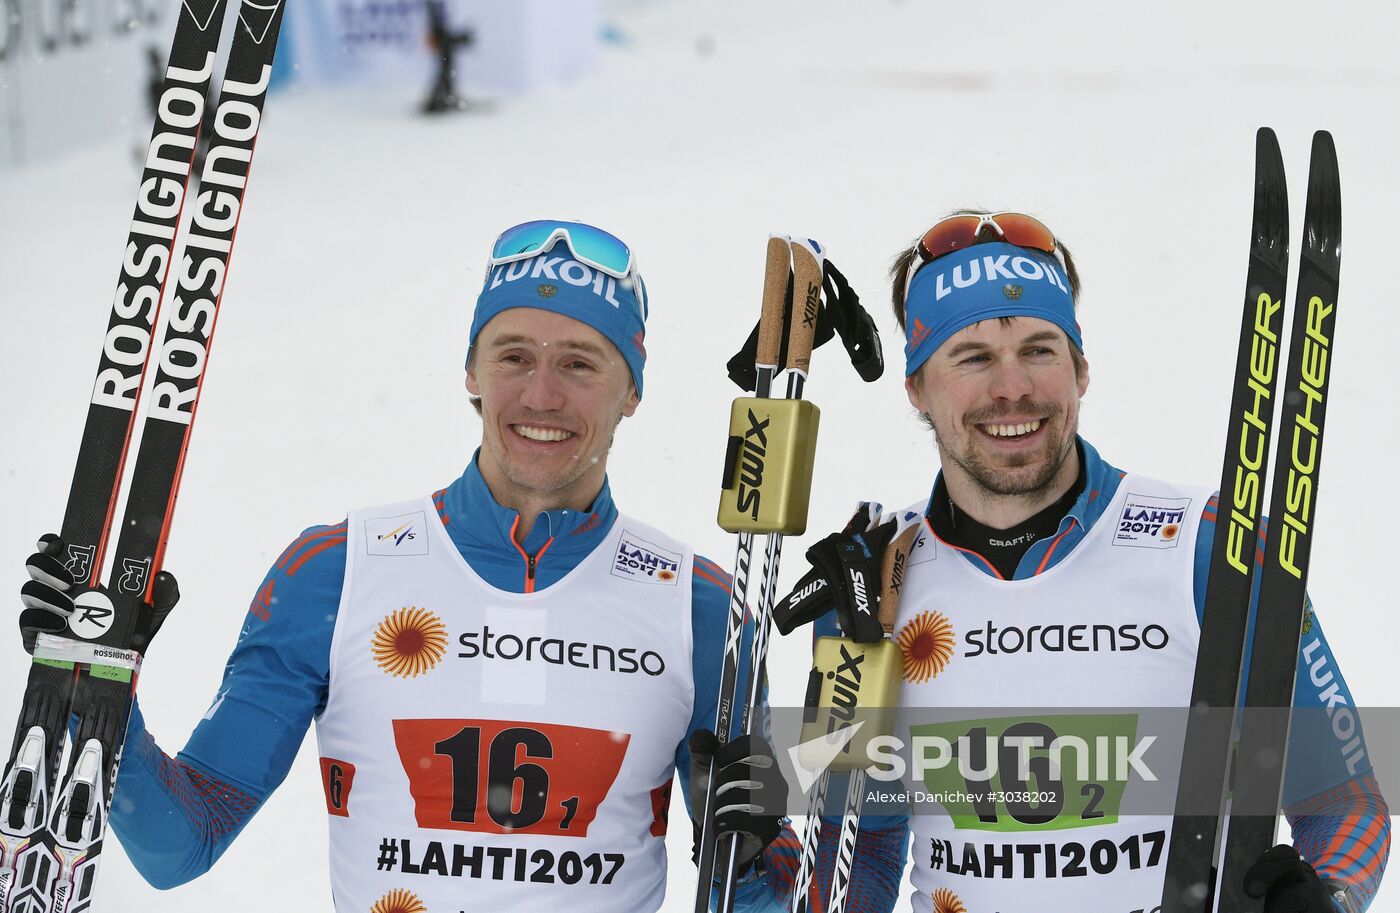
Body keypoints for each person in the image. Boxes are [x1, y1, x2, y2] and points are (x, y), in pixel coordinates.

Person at [17, 220, 804, 911]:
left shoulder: (703, 608)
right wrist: (97, 687)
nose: (540, 393)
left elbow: (769, 891)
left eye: (580, 363)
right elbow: (183, 842)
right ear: (471, 372)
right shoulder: (335, 571)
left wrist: (757, 851)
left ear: (632, 389)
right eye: (513, 355)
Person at [781, 212, 1389, 912]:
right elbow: (866, 849)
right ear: (918, 387)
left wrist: (1326, 894)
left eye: (1039, 349)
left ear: (1081, 369)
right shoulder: (870, 585)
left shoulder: (1205, 546)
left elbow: (1342, 797)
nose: (1012, 388)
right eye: (973, 357)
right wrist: (763, 858)